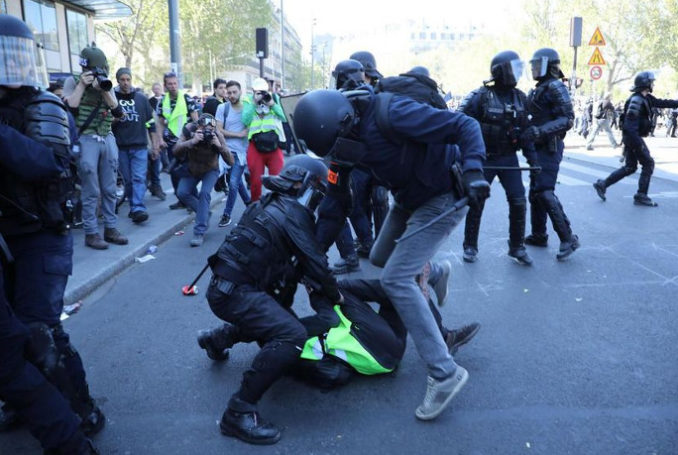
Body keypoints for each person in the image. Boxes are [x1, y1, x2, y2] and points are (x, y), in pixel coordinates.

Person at [293, 75, 489, 421]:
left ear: (346, 119)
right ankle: (438, 271)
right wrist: (312, 255)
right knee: (382, 259)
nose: (337, 154)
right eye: (331, 151)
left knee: (397, 280)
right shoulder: (340, 146)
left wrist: (474, 169)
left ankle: (445, 373)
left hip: (444, 193)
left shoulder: (392, 112)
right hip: (409, 198)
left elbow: (465, 124)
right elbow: (335, 205)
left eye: (337, 144)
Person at [0, 14, 102, 453]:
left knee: (40, 329)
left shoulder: (42, 105)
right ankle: (28, 400)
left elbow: (49, 164)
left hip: (41, 235)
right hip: (7, 240)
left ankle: (80, 409)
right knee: (12, 333)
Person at [196, 155, 341, 444]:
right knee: (291, 334)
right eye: (318, 191)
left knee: (277, 318)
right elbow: (317, 264)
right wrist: (335, 295)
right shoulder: (294, 214)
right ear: (304, 185)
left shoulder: (265, 203)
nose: (318, 199)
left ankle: (217, 339)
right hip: (236, 292)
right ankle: (238, 411)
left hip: (227, 288)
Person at [297, 270, 481, 389]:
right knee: (341, 289)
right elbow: (328, 319)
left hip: (385, 347)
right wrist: (319, 296)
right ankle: (426, 281)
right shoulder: (293, 334)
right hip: (375, 351)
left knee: (396, 290)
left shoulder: (289, 331)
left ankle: (443, 335)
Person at [458, 50, 535, 265]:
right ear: (501, 71)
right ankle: (470, 246)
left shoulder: (521, 97)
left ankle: (517, 247)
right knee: (477, 201)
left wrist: (533, 160)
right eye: (514, 68)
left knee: (519, 200)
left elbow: (527, 132)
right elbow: (458, 124)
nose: (518, 73)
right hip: (485, 158)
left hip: (509, 158)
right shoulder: (479, 96)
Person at [62, 44, 128, 250]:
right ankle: (91, 233)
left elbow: (119, 113)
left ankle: (111, 228)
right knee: (91, 190)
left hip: (106, 137)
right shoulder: (72, 80)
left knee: (110, 189)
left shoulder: (105, 83)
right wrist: (82, 86)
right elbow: (69, 106)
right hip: (86, 138)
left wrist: (104, 90)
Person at [521, 48, 579, 260]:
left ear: (548, 65)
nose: (534, 68)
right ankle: (539, 234)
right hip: (538, 147)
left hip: (550, 146)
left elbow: (567, 119)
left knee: (545, 191)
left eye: (536, 64)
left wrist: (540, 131)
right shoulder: (539, 89)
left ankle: (568, 238)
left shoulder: (555, 86)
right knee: (535, 192)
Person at [593, 72, 678, 206]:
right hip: (633, 138)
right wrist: (638, 145)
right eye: (651, 82)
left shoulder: (647, 98)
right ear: (646, 83)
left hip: (631, 138)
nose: (653, 84)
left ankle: (603, 184)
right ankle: (641, 195)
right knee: (648, 163)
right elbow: (629, 125)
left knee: (630, 167)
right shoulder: (636, 100)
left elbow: (663, 102)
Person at [173, 113, 232, 246]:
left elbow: (230, 161)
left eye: (210, 129)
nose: (207, 131)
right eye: (203, 128)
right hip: (192, 168)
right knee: (182, 193)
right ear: (198, 125)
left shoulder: (217, 134)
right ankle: (204, 213)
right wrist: (191, 141)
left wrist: (219, 146)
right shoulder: (189, 129)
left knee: (204, 193)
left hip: (210, 169)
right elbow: (175, 150)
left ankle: (199, 232)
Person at [112, 67, 160, 224]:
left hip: (139, 145)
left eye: (128, 79)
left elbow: (151, 123)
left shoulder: (141, 99)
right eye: (122, 80)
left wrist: (155, 145)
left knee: (139, 177)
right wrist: (115, 120)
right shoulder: (111, 97)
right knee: (128, 180)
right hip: (120, 146)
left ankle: (138, 208)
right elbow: (104, 122)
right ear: (118, 80)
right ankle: (134, 206)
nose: (125, 83)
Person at [156, 71, 199, 210]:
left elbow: (196, 119)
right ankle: (181, 199)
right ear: (165, 85)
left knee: (189, 171)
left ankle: (192, 200)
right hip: (171, 143)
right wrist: (160, 139)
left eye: (175, 83)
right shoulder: (162, 101)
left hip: (187, 142)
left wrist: (196, 137)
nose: (173, 86)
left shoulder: (186, 98)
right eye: (170, 84)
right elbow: (160, 122)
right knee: (174, 171)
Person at [242, 77, 286, 202]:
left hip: (273, 144)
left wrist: (272, 104)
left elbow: (284, 118)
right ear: (253, 91)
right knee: (255, 182)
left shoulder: (274, 98)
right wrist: (254, 103)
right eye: (258, 92)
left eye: (263, 92)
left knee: (277, 180)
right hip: (255, 145)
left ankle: (277, 206)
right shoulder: (248, 100)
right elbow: (245, 120)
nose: (261, 95)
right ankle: (255, 206)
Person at [216, 80, 251, 227]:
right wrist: (238, 134)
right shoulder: (222, 108)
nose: (231, 95)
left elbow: (248, 131)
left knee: (232, 183)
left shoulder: (248, 109)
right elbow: (218, 130)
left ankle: (227, 214)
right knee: (237, 182)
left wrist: (236, 134)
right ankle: (250, 205)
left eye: (234, 92)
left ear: (240, 92)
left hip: (241, 154)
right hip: (225, 152)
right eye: (228, 92)